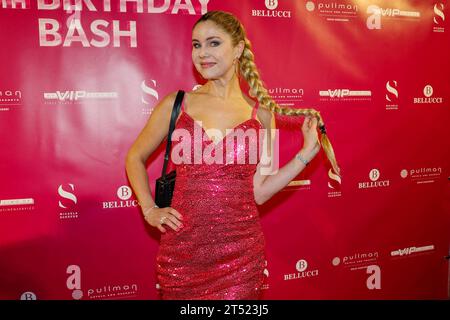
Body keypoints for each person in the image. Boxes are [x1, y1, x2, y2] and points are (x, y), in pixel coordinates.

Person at [125, 10, 340, 300]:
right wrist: (150, 210)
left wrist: (305, 153)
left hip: (239, 258)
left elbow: (260, 192)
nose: (202, 53)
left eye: (213, 43)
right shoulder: (176, 104)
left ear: (238, 49)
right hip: (182, 254)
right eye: (196, 44)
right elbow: (134, 157)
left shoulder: (262, 114)